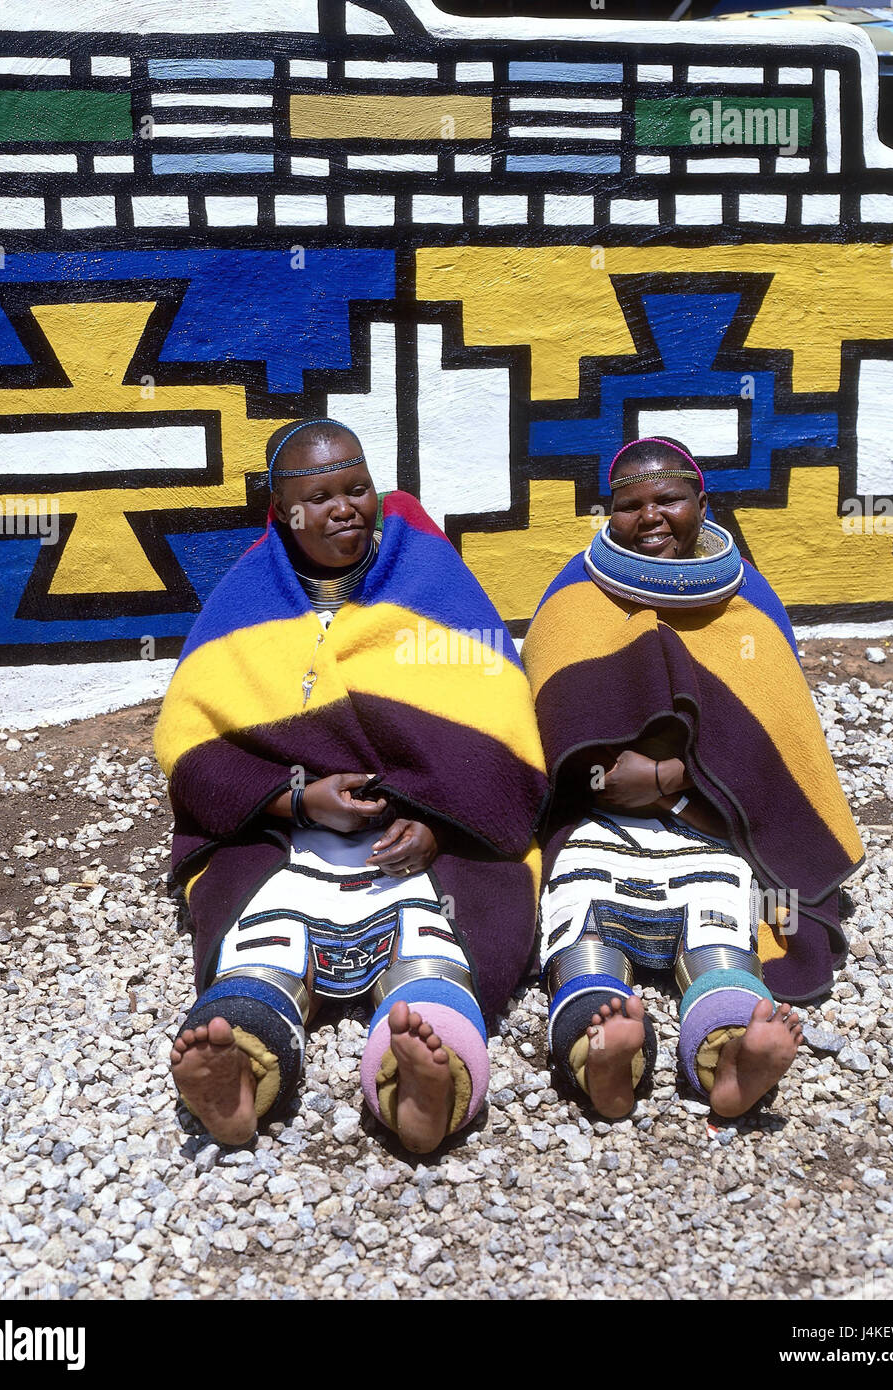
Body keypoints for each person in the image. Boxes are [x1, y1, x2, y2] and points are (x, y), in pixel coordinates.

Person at [155, 418, 546, 1152]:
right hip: (290, 841)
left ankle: (423, 1089)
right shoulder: (248, 596)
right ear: (282, 510)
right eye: (319, 496)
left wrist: (441, 821)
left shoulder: (428, 576)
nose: (344, 508)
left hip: (420, 846)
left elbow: (497, 725)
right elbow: (194, 748)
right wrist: (295, 798)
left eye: (357, 488)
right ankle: (239, 1072)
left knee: (440, 949)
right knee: (258, 948)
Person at [523, 436, 864, 1119]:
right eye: (630, 505)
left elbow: (774, 744)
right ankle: (604, 1056)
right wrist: (602, 777)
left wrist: (673, 777)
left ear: (702, 504)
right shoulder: (573, 602)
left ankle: (732, 1060)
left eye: (669, 499)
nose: (650, 517)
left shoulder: (748, 609)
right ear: (608, 514)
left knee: (724, 937)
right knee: (579, 933)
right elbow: (544, 739)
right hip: (599, 830)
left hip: (712, 834)